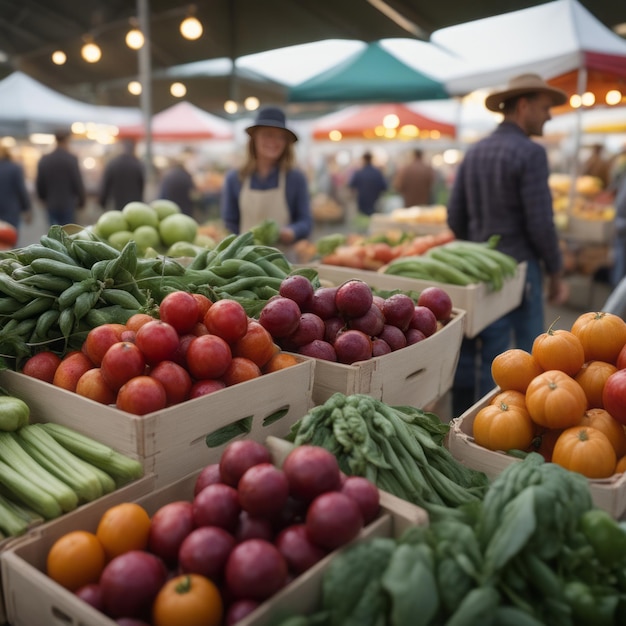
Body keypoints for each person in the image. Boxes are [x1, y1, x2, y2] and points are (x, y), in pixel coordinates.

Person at [446, 73, 570, 416]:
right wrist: (556, 271)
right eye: (545, 108)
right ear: (523, 105)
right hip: (518, 267)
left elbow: (454, 215)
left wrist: (474, 250)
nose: (550, 115)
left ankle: (466, 422)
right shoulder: (530, 153)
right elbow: (540, 223)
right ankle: (501, 425)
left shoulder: (474, 151)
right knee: (529, 352)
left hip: (476, 268)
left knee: (477, 348)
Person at [221, 106, 312, 244]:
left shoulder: (295, 178)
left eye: (280, 137)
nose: (273, 141)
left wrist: (292, 231)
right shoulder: (235, 178)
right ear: (254, 138)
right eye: (267, 134)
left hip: (283, 259)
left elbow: (306, 221)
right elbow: (229, 222)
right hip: (245, 259)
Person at [36, 130, 86, 226]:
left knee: (53, 234)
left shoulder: (45, 159)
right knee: (68, 234)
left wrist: (42, 197)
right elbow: (77, 182)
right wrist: (82, 201)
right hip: (68, 203)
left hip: (51, 203)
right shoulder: (71, 159)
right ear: (66, 141)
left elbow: (40, 182)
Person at [98, 139, 145, 211]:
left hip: (116, 203)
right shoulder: (137, 164)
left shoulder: (113, 163)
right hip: (134, 205)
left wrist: (102, 202)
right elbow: (141, 185)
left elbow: (106, 184)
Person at [0, 144, 31, 236]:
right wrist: (27, 208)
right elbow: (21, 190)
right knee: (10, 240)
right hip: (11, 210)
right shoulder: (14, 168)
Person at [348, 151, 388, 216]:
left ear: (363, 160)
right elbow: (384, 187)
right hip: (375, 203)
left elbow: (351, 185)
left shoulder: (359, 173)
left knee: (363, 222)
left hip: (362, 203)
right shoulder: (377, 173)